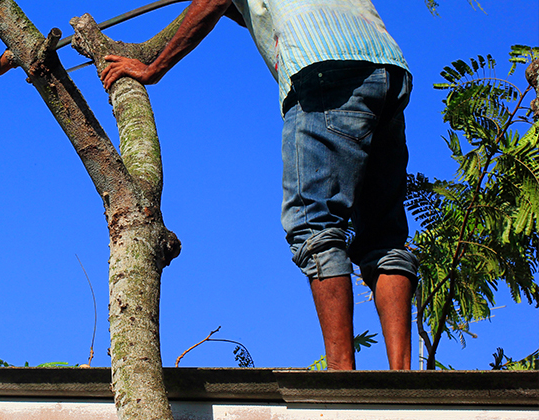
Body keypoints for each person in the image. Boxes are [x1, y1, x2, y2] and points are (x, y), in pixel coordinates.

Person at [99, 0, 418, 370]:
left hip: (322, 67)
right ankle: (402, 376)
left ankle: (341, 373)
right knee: (383, 235)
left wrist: (153, 68)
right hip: (386, 68)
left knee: (314, 222)